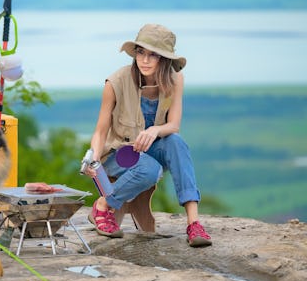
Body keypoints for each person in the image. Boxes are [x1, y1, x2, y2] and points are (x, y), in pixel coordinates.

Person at [84, 23, 212, 247]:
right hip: (120, 153)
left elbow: (173, 125)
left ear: (164, 59)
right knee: (149, 168)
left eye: (153, 55)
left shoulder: (175, 80)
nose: (144, 60)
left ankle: (194, 224)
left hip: (154, 148)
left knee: (177, 143)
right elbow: (101, 130)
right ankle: (103, 206)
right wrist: (92, 159)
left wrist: (155, 130)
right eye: (140, 52)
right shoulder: (115, 82)